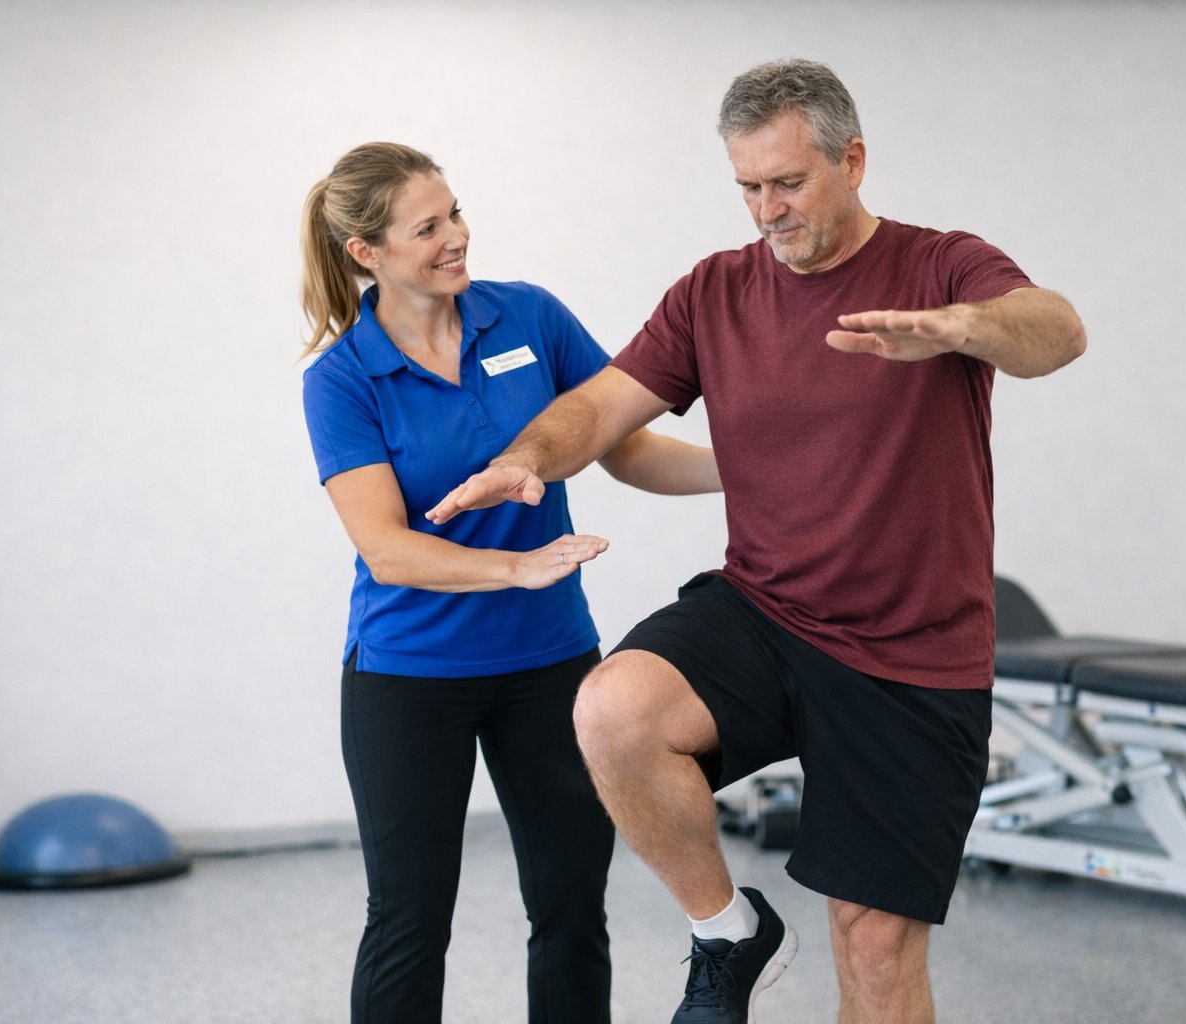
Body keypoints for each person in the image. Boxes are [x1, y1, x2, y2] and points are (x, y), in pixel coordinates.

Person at [427, 60, 1087, 1024]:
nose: (767, 210)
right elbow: (602, 407)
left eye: (788, 183)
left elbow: (1057, 332)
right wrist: (529, 455)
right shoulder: (715, 291)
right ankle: (728, 930)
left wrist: (960, 328)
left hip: (911, 653)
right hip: (767, 613)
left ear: (852, 161)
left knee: (872, 946)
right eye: (748, 187)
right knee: (614, 710)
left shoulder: (941, 265)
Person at [298, 141, 721, 1024]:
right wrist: (515, 569)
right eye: (427, 227)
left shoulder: (528, 316)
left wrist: (755, 473)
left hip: (550, 664)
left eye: (454, 212)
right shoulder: (343, 379)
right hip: (408, 675)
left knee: (571, 908)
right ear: (367, 252)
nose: (456, 236)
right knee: (409, 920)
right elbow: (387, 550)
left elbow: (628, 449)